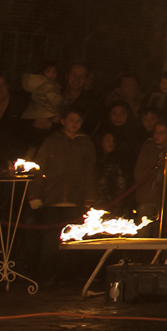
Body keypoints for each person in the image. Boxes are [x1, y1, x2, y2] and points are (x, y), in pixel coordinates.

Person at [33, 110, 98, 285]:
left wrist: (89, 198)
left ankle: (70, 277)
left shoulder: (86, 143)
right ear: (63, 121)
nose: (74, 123)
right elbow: (40, 168)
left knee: (74, 240)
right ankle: (48, 275)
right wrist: (36, 194)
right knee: (50, 240)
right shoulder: (51, 142)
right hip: (52, 198)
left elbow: (90, 172)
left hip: (76, 199)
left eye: (78, 120)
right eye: (71, 120)